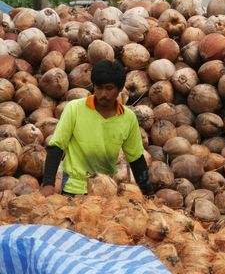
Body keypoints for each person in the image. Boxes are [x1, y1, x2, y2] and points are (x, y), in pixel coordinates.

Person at [41, 60, 153, 196]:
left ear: (120, 88)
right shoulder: (74, 108)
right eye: (99, 88)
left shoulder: (128, 118)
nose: (103, 94)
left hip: (105, 188)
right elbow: (56, 146)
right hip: (74, 187)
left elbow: (136, 159)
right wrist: (48, 184)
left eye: (109, 88)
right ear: (93, 86)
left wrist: (148, 193)